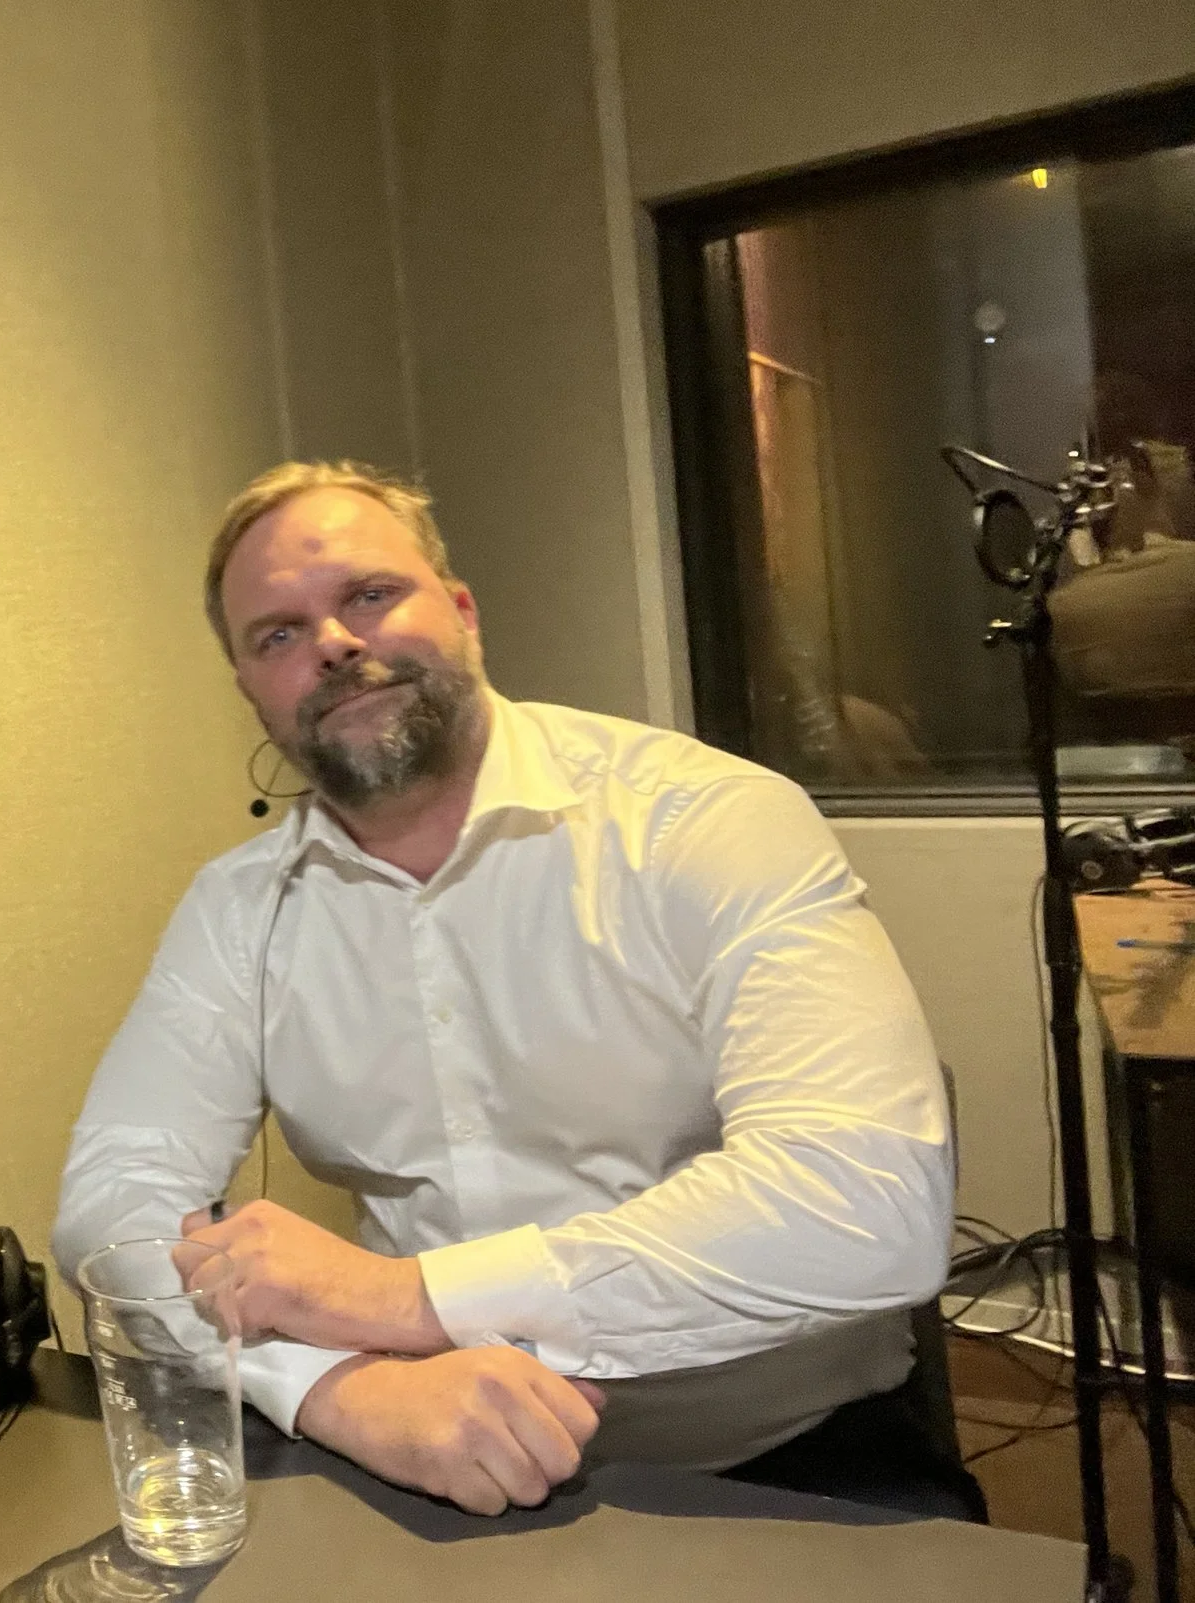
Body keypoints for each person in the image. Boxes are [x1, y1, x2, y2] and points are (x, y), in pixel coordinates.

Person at [53, 460, 971, 1521]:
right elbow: (113, 1204)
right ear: (250, 691)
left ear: (461, 610)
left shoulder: (705, 820)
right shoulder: (238, 908)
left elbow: (863, 1198)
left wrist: (398, 1298)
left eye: (368, 594)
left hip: (781, 1456)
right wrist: (334, 1388)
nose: (333, 644)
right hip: (424, 1454)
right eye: (278, 635)